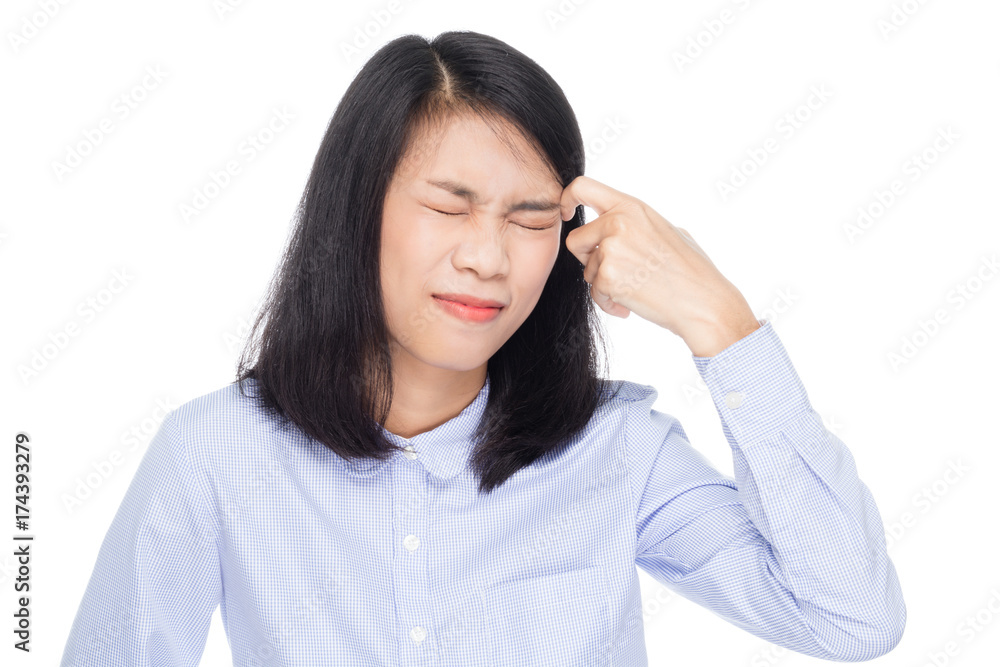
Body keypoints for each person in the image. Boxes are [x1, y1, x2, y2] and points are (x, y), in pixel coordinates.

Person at [60, 30, 905, 666]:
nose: (488, 256)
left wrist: (719, 320)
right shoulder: (215, 452)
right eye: (448, 206)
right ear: (358, 208)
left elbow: (851, 616)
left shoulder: (617, 450)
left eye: (530, 218)